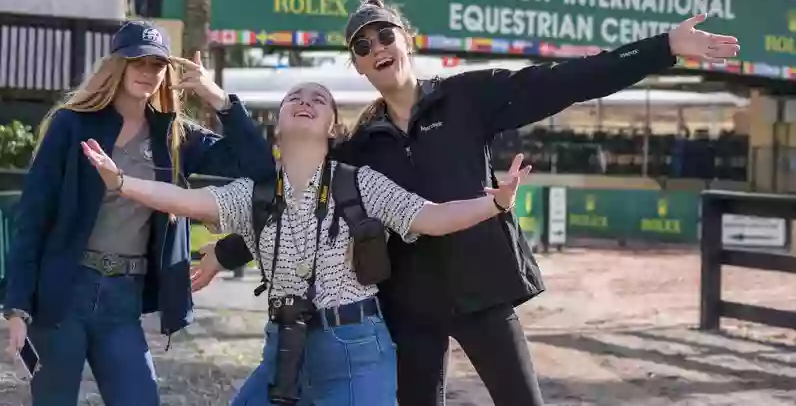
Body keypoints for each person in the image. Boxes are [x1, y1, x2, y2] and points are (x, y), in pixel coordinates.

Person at [196, 0, 740, 406]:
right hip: (410, 306)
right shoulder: (360, 149)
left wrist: (663, 47)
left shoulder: (465, 97)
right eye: (362, 46)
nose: (376, 48)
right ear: (358, 66)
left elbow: (568, 79)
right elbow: (295, 213)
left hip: (482, 292)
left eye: (384, 34)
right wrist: (224, 255)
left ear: (406, 38)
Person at [80, 81, 530, 406]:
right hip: (283, 346)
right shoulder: (252, 194)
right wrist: (122, 181)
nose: (305, 102)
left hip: (356, 349)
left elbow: (431, 217)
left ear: (333, 128)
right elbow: (185, 200)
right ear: (276, 127)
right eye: (294, 98)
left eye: (319, 100)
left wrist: (496, 205)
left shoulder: (362, 184)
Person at [2, 20, 275, 406]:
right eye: (138, 63)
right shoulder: (72, 124)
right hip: (65, 290)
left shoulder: (175, 135)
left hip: (123, 299)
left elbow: (259, 167)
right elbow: (33, 216)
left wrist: (219, 100)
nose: (148, 72)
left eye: (156, 65)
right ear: (119, 65)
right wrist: (16, 306)